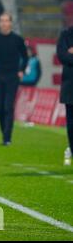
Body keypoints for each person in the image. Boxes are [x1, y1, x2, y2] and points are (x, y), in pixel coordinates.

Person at [0, 12, 28, 146]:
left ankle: (7, 137)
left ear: (10, 23)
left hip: (12, 77)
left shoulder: (18, 39)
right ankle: (4, 133)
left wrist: (21, 70)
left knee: (8, 107)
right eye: (1, 20)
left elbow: (25, 57)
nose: (4, 23)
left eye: (6, 21)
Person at [56, 26, 73, 166]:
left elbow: (68, 56)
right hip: (70, 86)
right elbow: (62, 55)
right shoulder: (66, 34)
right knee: (71, 125)